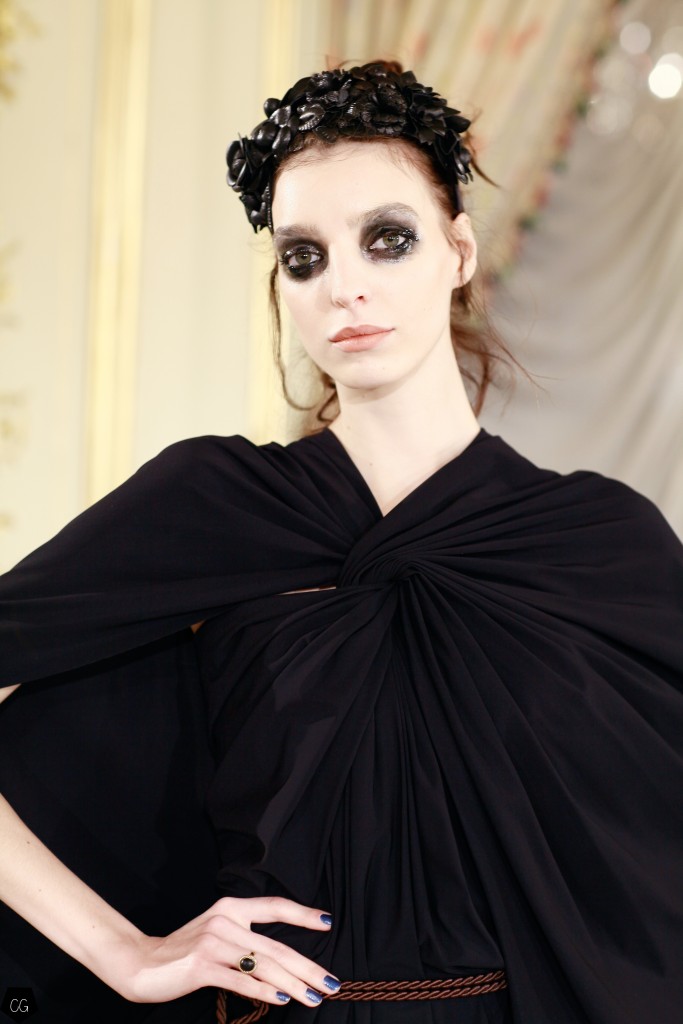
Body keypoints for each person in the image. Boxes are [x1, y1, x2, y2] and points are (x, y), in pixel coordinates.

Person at [1, 60, 682, 1024]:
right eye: (304, 257)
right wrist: (123, 952)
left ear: (458, 251)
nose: (343, 288)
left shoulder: (598, 542)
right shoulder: (216, 502)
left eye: (387, 240)